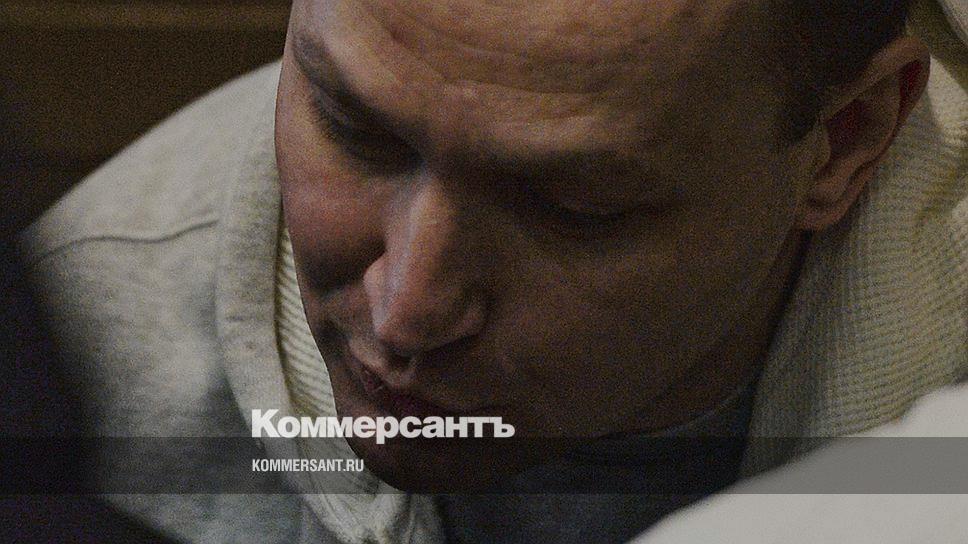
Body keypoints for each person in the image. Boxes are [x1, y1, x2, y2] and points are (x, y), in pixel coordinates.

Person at [19, 0, 966, 542]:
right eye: (355, 129)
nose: (406, 311)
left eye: (574, 206)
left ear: (847, 140)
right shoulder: (77, 380)